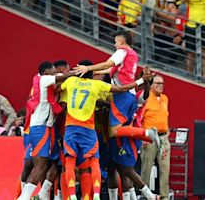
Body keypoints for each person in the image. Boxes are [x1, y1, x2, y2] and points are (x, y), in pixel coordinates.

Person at [62, 60, 153, 200]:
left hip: (110, 137)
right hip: (95, 134)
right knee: (106, 167)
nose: (99, 76)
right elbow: (120, 91)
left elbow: (142, 97)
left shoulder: (72, 82)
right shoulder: (99, 87)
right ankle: (98, 195)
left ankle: (149, 196)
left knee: (123, 169)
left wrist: (144, 81)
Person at [74, 31, 160, 143]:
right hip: (131, 96)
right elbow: (111, 69)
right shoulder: (133, 54)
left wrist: (88, 68)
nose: (114, 45)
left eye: (115, 42)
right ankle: (149, 139)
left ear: (121, 41)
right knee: (125, 130)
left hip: (122, 95)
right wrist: (94, 71)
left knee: (114, 131)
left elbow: (108, 64)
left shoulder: (122, 51)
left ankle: (148, 133)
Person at [18, 61, 76, 200]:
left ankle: (35, 195)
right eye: (53, 72)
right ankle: (24, 197)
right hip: (40, 128)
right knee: (40, 166)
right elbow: (60, 78)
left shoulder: (41, 81)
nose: (55, 74)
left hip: (43, 128)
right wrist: (77, 73)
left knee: (43, 165)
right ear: (45, 73)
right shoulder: (43, 79)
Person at [140, 75, 171, 200]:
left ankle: (164, 196)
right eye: (157, 83)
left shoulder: (165, 98)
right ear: (151, 85)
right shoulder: (146, 99)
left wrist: (167, 133)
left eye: (162, 83)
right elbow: (139, 119)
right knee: (146, 168)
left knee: (165, 169)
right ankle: (145, 195)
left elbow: (165, 117)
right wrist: (142, 137)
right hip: (149, 138)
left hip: (163, 137)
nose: (160, 86)